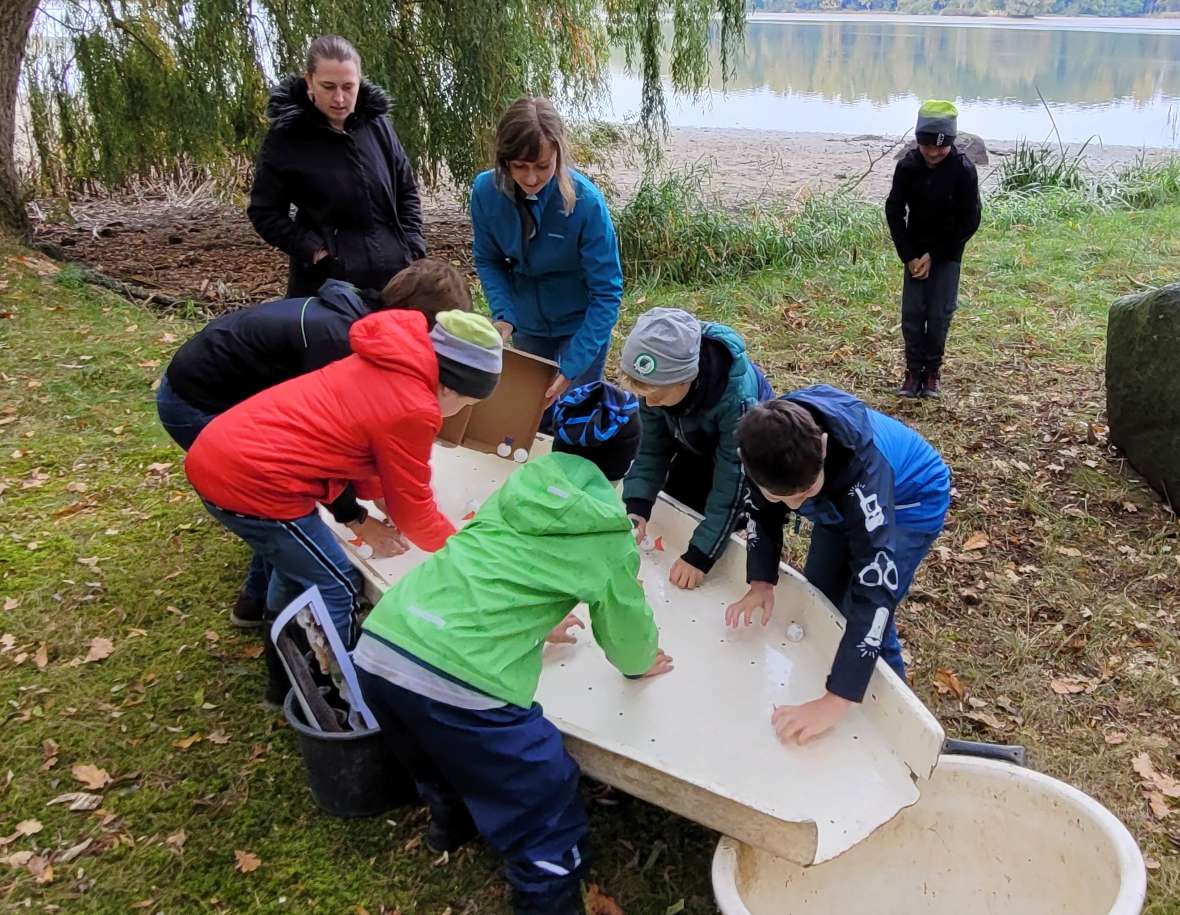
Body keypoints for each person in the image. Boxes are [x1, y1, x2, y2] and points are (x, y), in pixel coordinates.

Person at [354, 382, 672, 915]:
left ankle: (449, 823)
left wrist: (534, 618)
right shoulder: (610, 533)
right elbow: (624, 626)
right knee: (544, 787)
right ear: (626, 461)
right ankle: (546, 893)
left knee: (429, 748)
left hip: (385, 642)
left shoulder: (518, 485)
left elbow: (493, 558)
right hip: (464, 680)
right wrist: (642, 665)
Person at [184, 309, 503, 701]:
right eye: (469, 401)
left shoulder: (389, 363)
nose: (465, 410)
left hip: (225, 450)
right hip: (254, 483)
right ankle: (335, 696)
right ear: (451, 389)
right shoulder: (415, 406)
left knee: (298, 568)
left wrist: (376, 510)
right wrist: (466, 553)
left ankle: (281, 673)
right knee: (336, 585)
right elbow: (415, 514)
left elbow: (362, 452)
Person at [157, 258, 471, 628]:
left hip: (238, 431)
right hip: (202, 404)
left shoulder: (372, 334)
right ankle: (309, 655)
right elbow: (317, 448)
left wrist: (380, 497)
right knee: (322, 566)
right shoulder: (345, 345)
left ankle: (258, 609)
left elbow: (345, 444)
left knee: (292, 541)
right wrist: (356, 518)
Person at [725, 385, 950, 745]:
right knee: (822, 596)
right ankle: (833, 680)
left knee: (857, 606)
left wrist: (835, 699)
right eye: (784, 497)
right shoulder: (765, 447)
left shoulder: (863, 469)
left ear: (824, 447)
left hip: (910, 502)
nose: (795, 505)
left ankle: (899, 727)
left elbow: (876, 592)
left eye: (803, 492)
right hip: (836, 504)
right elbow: (761, 512)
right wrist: (761, 581)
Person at [470, 96, 623, 423]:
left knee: (576, 416)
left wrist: (573, 366)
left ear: (559, 155)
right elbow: (488, 259)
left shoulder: (586, 204)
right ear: (503, 161)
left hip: (581, 325)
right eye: (519, 167)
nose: (530, 179)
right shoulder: (485, 192)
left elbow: (607, 294)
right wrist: (504, 315)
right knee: (530, 417)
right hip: (527, 323)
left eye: (542, 166)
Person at [248, 35, 425, 297]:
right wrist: (314, 250)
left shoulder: (378, 126)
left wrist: (413, 246)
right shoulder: (287, 136)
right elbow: (265, 212)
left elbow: (406, 190)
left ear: (359, 81)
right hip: (325, 286)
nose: (340, 98)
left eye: (348, 87)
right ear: (310, 81)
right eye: (328, 86)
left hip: (393, 280)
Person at [619, 308, 773, 591]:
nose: (649, 405)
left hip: (743, 451)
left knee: (730, 514)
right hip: (693, 434)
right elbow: (650, 449)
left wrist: (700, 556)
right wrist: (637, 507)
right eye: (644, 397)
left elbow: (733, 482)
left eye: (657, 397)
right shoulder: (657, 387)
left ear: (685, 378)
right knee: (680, 499)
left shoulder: (739, 401)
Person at [885, 100, 981, 398]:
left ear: (950, 143)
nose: (934, 152)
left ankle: (932, 373)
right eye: (927, 146)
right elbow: (894, 210)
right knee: (913, 313)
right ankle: (913, 372)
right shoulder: (908, 166)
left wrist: (934, 255)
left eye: (941, 147)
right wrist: (910, 255)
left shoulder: (963, 170)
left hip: (947, 253)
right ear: (918, 140)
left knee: (939, 314)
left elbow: (970, 220)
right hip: (914, 251)